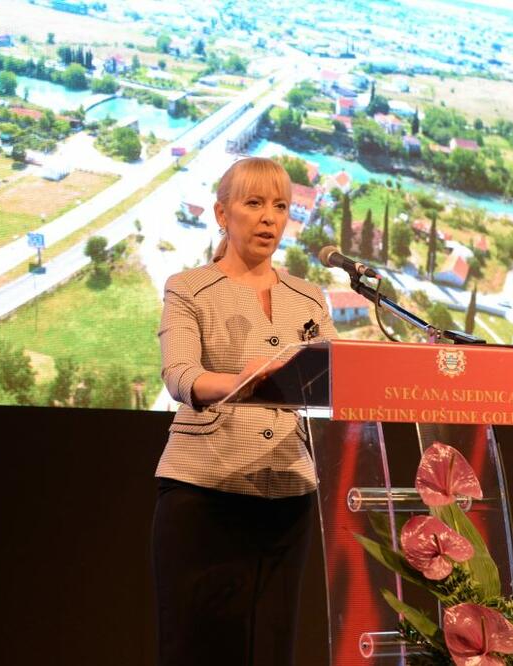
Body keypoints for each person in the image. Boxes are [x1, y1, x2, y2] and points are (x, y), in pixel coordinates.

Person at [152, 157, 337, 665]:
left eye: (279, 206)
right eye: (253, 204)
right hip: (204, 494)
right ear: (221, 213)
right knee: (198, 648)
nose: (268, 218)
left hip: (289, 495)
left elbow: (337, 381)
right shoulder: (188, 288)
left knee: (271, 647)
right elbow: (180, 375)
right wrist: (240, 382)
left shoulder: (308, 297)